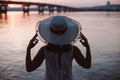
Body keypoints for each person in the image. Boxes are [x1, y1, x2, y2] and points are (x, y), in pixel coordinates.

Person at [26, 16, 91, 80]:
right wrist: (87, 47)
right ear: (67, 32)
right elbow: (87, 65)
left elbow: (29, 68)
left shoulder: (44, 50)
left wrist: (29, 48)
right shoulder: (73, 50)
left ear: (50, 33)